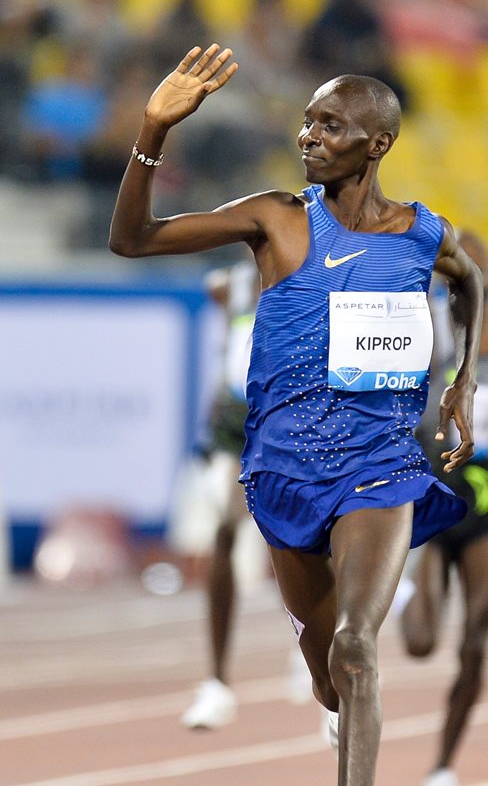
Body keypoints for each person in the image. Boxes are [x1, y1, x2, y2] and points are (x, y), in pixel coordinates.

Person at [109, 45, 482, 786]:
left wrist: (462, 381)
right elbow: (132, 239)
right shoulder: (274, 219)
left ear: (376, 144)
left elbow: (471, 280)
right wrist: (153, 131)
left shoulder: (420, 233)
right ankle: (337, 690)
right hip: (283, 470)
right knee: (329, 679)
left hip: (381, 467)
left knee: (356, 648)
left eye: (331, 125)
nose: (309, 136)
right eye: (307, 122)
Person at [400, 231, 488, 786]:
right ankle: (409, 589)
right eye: (456, 269)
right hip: (437, 489)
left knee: (477, 638)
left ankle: (443, 763)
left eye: (477, 269)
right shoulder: (424, 329)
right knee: (419, 643)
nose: (466, 278)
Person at [181, 260, 314, 728]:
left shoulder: (314, 269)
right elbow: (213, 283)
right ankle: (217, 683)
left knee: (298, 539)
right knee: (224, 527)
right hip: (234, 422)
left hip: (288, 419)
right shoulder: (234, 281)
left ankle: (310, 654)